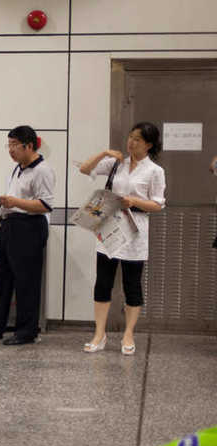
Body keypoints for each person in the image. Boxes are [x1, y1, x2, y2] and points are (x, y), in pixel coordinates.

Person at [78, 122, 165, 355]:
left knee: (132, 284)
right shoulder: (117, 163)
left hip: (135, 228)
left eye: (137, 139)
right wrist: (105, 153)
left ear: (148, 144)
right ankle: (99, 334)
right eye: (130, 137)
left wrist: (134, 201)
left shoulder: (155, 171)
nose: (131, 142)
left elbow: (157, 204)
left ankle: (128, 334)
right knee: (103, 281)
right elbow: (85, 169)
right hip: (109, 226)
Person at [0, 125, 55, 346]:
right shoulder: (18, 168)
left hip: (29, 227)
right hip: (9, 226)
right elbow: (14, 198)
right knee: (2, 277)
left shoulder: (42, 169)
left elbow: (45, 205)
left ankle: (27, 331)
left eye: (15, 145)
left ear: (29, 145)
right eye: (9, 145)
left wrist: (14, 202)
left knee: (26, 280)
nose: (11, 150)